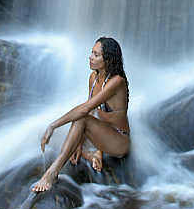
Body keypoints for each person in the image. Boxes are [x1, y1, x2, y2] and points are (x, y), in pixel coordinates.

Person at [31, 36, 130, 191]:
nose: (90, 57)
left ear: (108, 60)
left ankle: (52, 173)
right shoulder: (94, 77)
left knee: (79, 120)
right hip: (100, 136)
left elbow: (84, 111)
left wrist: (54, 125)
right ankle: (92, 155)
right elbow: (91, 112)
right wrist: (77, 141)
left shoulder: (116, 82)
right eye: (91, 52)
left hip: (118, 140)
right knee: (41, 134)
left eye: (96, 55)